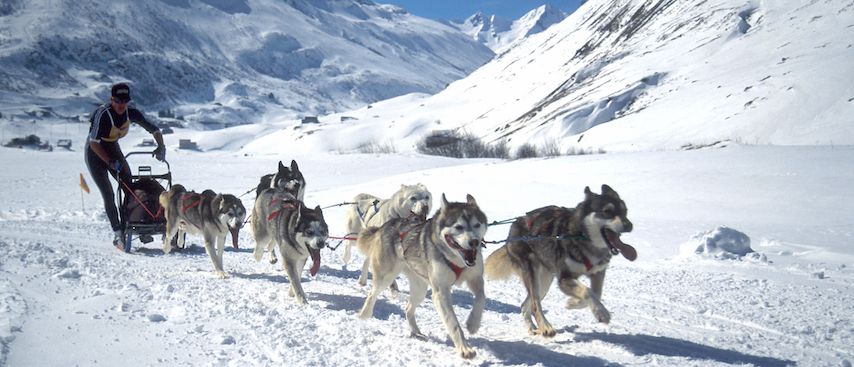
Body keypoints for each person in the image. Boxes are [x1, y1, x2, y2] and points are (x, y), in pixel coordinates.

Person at [85, 83, 166, 247]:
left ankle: (137, 223)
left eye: (125, 101)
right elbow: (94, 144)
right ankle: (118, 233)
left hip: (112, 148)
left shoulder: (131, 113)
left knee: (129, 187)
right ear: (111, 99)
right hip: (95, 154)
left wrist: (161, 147)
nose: (121, 105)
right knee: (108, 194)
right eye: (118, 101)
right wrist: (109, 162)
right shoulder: (103, 114)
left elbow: (154, 129)